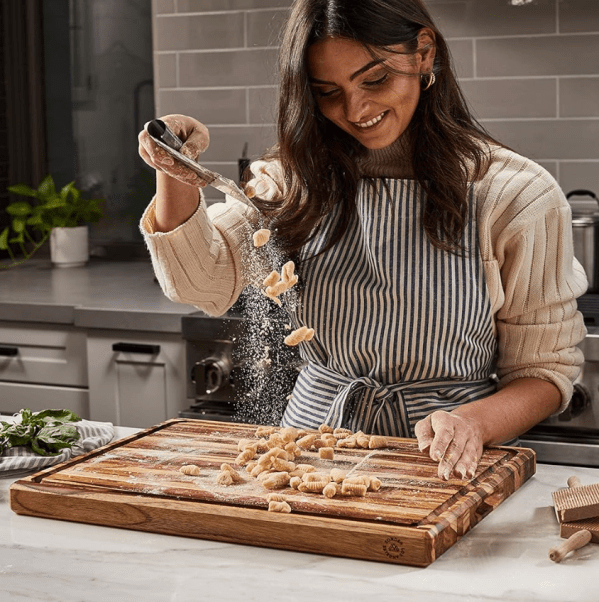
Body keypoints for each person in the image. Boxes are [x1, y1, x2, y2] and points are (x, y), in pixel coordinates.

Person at [138, 0, 587, 481]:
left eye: (375, 80)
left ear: (423, 54)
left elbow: (545, 371)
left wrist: (472, 424)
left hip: (445, 463)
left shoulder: (512, 194)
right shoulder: (292, 183)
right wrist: (175, 171)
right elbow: (200, 282)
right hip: (309, 456)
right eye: (328, 92)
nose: (356, 110)